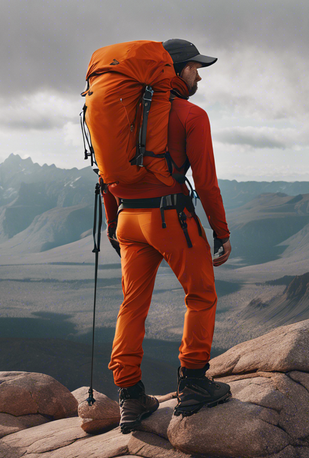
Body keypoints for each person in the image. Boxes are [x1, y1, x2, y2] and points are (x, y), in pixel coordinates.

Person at [104, 38, 233, 434]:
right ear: (175, 71)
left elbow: (106, 175)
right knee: (201, 295)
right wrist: (221, 232)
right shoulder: (191, 115)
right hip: (169, 217)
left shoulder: (120, 113)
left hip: (129, 218)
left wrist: (113, 223)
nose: (199, 76)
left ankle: (130, 398)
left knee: (133, 304)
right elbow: (206, 183)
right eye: (195, 68)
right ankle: (193, 383)